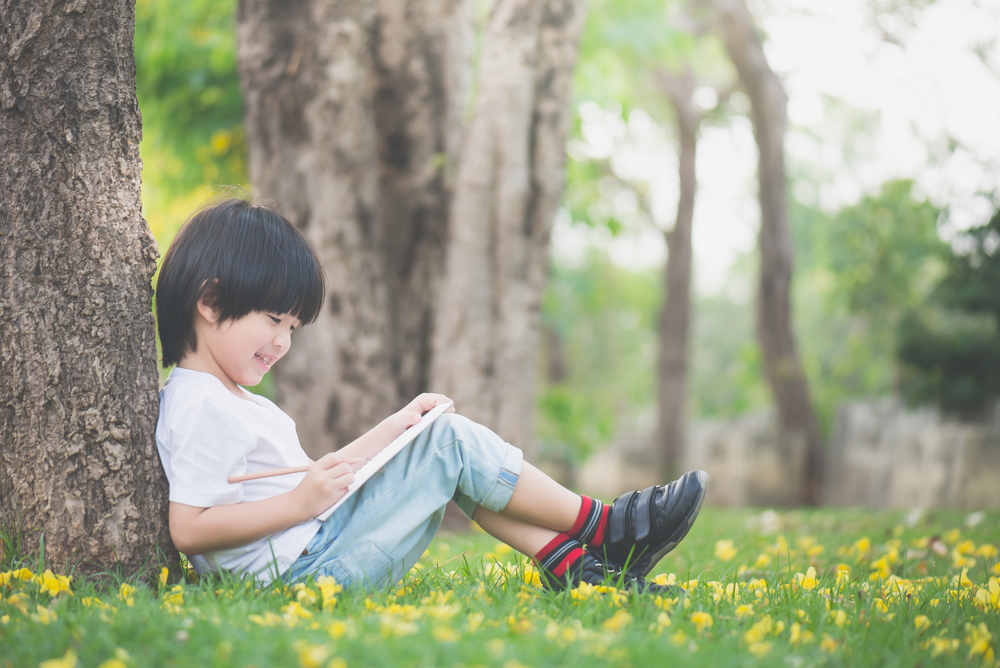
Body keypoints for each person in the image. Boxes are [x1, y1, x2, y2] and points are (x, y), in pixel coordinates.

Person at [154, 196, 708, 592]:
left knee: (441, 451)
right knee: (449, 446)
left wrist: (395, 429)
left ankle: (582, 572)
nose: (282, 341)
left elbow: (320, 482)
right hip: (303, 577)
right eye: (274, 319)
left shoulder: (234, 400)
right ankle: (607, 527)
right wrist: (301, 503)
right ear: (210, 302)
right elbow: (191, 528)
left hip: (315, 553)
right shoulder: (199, 402)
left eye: (293, 328)